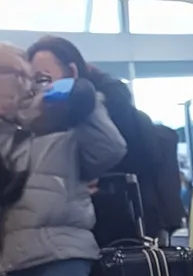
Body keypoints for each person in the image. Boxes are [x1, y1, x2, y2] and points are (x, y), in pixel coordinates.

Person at [0, 44, 126, 276]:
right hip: (12, 262)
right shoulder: (8, 130)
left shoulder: (68, 120)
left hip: (63, 251)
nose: (30, 85)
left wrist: (86, 102)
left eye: (41, 77)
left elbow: (110, 149)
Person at [27, 37, 183, 243]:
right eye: (33, 83)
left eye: (44, 80)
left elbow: (115, 158)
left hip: (118, 231)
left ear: (72, 73)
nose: (39, 90)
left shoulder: (103, 116)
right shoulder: (60, 116)